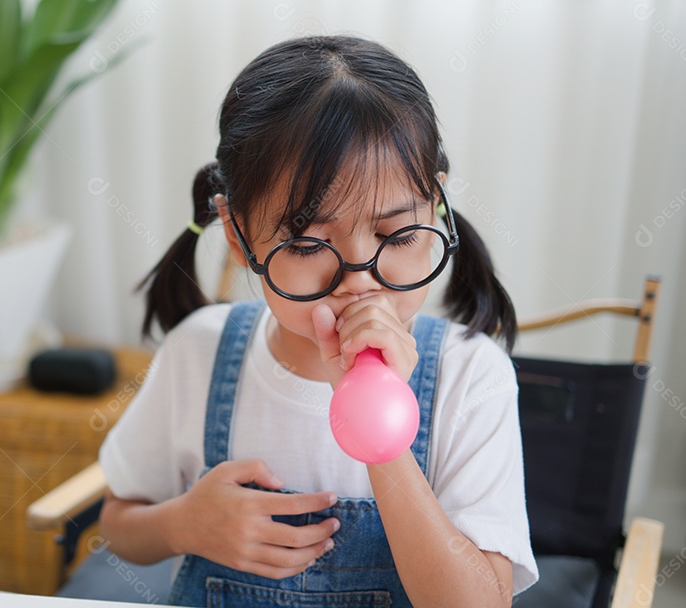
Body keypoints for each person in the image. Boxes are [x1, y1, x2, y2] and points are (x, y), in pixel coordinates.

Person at [98, 35, 538, 607]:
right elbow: (118, 522)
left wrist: (381, 439)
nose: (360, 278)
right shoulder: (197, 353)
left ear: (435, 209)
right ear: (237, 234)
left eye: (397, 234)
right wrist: (183, 524)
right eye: (308, 244)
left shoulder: (471, 375)